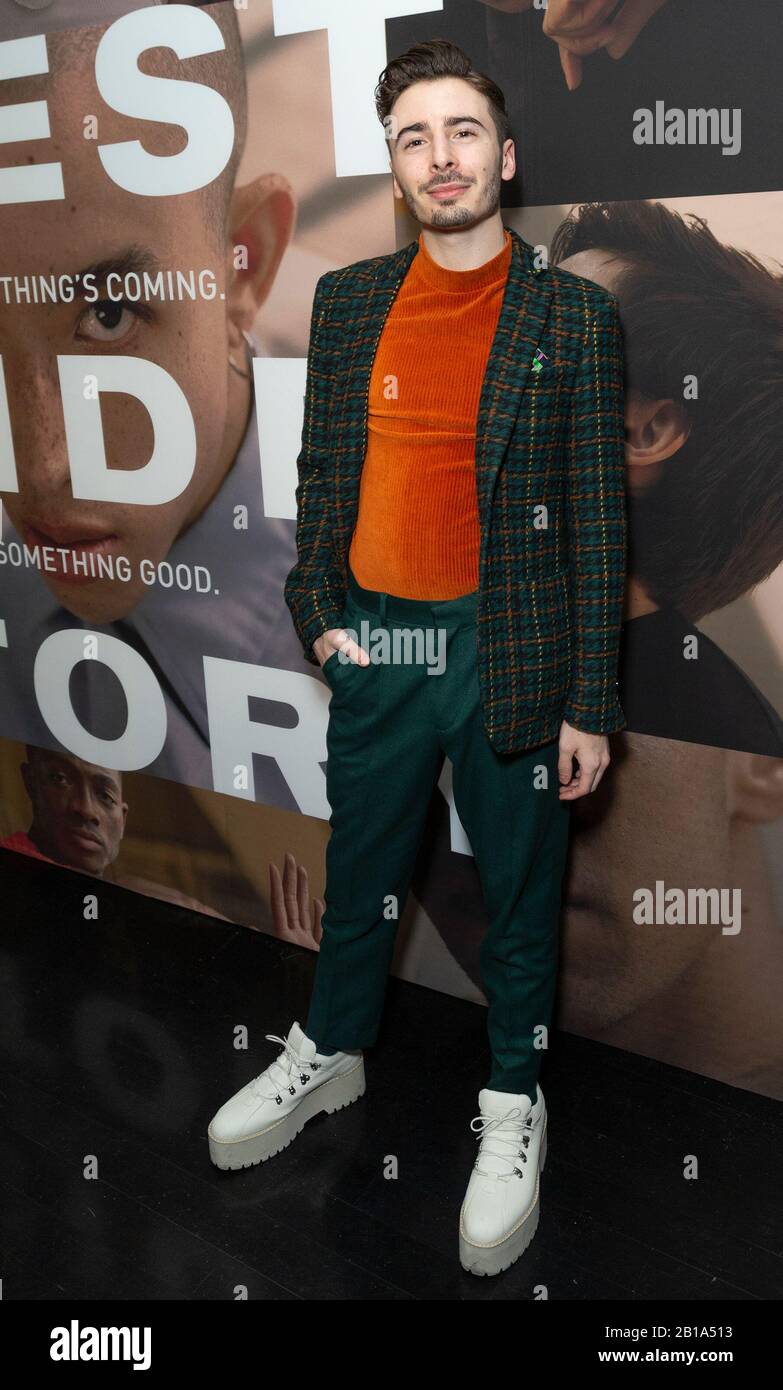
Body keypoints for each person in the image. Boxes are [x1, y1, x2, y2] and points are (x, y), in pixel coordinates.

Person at [208, 38, 627, 1277]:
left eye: (460, 134)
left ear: (505, 156)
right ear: (395, 171)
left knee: (517, 899)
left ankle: (513, 1104)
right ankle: (330, 1048)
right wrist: (318, 609)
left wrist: (590, 700)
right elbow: (323, 479)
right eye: (412, 139)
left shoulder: (574, 314)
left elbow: (601, 520)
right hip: (379, 642)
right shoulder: (345, 304)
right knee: (363, 872)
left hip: (512, 647)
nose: (439, 158)